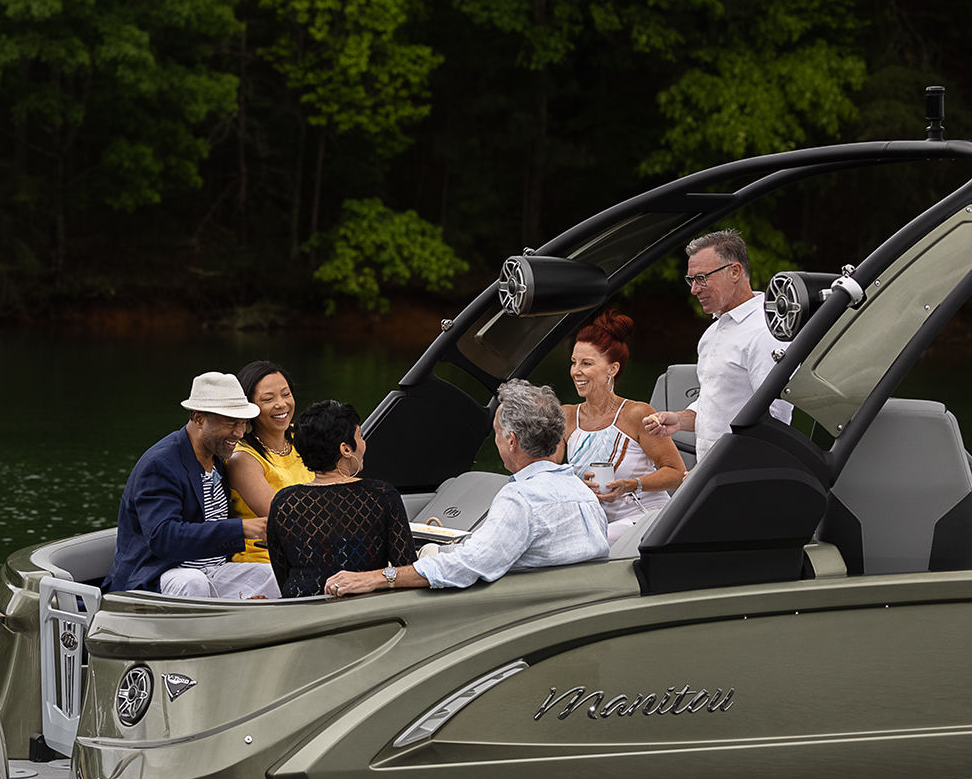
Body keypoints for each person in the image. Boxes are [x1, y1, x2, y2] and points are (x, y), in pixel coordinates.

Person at [323, 380, 608, 596]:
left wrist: (376, 578)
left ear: (511, 441)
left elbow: (469, 565)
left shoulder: (521, 498)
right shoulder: (583, 493)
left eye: (496, 434)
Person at [105, 373, 283, 598]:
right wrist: (242, 529)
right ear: (199, 418)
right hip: (160, 573)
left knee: (272, 574)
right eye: (230, 422)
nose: (239, 433)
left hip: (213, 570)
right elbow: (164, 537)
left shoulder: (218, 457)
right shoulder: (160, 464)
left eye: (243, 424)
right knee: (193, 582)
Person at [640, 229, 793, 466]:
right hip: (713, 475)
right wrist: (679, 420)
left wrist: (727, 475)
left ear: (734, 271)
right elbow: (716, 405)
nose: (694, 289)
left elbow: (777, 420)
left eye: (702, 278)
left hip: (746, 477)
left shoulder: (765, 331)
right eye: (691, 280)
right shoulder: (711, 334)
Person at [265, 400, 413, 599]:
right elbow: (406, 570)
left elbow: (282, 573)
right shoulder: (382, 495)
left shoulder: (284, 501)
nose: (364, 443)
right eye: (360, 436)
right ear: (345, 449)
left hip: (298, 610)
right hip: (364, 610)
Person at [560, 310, 685, 541]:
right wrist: (577, 485)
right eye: (574, 362)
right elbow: (547, 471)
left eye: (586, 363)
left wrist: (632, 484)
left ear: (612, 369)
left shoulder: (637, 414)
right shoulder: (566, 416)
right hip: (596, 522)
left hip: (646, 519)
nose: (576, 371)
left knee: (587, 542)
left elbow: (676, 473)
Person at [224, 360, 315, 568]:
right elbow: (286, 520)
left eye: (286, 394)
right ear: (249, 407)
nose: (281, 404)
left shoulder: (302, 437)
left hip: (314, 551)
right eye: (268, 399)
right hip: (264, 563)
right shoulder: (243, 459)